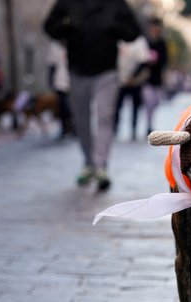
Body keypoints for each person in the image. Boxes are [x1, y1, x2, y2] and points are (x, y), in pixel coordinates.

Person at [44, 0, 141, 191]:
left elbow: (133, 31)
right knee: (81, 120)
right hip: (77, 71)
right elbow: (49, 26)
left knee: (105, 117)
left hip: (107, 71)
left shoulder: (117, 4)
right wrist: (67, 28)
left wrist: (115, 28)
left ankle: (101, 167)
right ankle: (89, 163)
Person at [114, 36, 151, 141]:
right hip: (120, 80)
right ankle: (115, 127)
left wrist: (133, 77)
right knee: (117, 106)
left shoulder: (140, 41)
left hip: (135, 82)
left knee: (135, 106)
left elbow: (143, 62)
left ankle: (133, 128)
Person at [141, 17, 167, 134]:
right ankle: (148, 125)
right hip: (146, 79)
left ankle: (150, 122)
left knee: (155, 102)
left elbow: (165, 60)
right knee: (149, 102)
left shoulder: (162, 43)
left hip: (157, 79)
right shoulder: (145, 42)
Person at [47, 40, 73, 139]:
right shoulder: (55, 46)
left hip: (74, 80)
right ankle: (64, 127)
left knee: (72, 107)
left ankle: (74, 127)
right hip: (60, 81)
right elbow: (52, 65)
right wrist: (50, 81)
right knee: (62, 106)